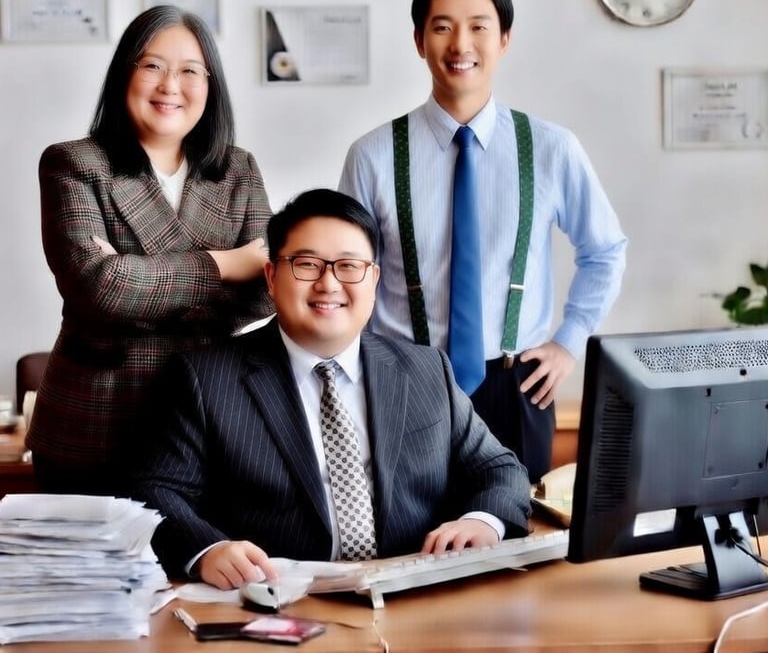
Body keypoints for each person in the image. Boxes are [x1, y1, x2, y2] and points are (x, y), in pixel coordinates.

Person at [133, 189, 531, 589]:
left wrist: (483, 521)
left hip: (412, 590)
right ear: (272, 277)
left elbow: (499, 469)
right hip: (281, 597)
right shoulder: (206, 378)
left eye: (349, 266)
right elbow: (159, 491)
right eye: (307, 264)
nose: (328, 283)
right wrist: (208, 549)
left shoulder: (426, 370)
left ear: (373, 279)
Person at [339, 0, 627, 484]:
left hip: (519, 386)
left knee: (517, 527)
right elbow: (348, 274)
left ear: (504, 40)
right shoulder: (373, 155)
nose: (460, 45)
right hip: (405, 381)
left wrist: (568, 341)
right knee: (412, 527)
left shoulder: (551, 148)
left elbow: (605, 249)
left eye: (478, 27)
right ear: (419, 40)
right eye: (442, 27)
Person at [28, 5, 274, 496]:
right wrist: (227, 265)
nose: (170, 85)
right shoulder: (73, 163)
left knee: (203, 547)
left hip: (205, 415)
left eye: (190, 71)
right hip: (95, 422)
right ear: (125, 72)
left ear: (210, 84)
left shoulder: (238, 169)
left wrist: (134, 278)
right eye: (153, 66)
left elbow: (268, 288)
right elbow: (100, 288)